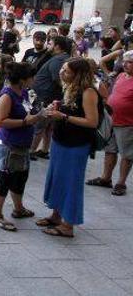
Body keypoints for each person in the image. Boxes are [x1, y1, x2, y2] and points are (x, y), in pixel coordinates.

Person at [39, 57, 100, 238]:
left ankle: (68, 224)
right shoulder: (68, 87)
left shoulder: (88, 92)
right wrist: (56, 109)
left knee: (71, 182)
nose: (61, 72)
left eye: (66, 71)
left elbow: (92, 121)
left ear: (77, 74)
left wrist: (63, 116)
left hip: (76, 144)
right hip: (61, 141)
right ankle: (56, 215)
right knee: (57, 178)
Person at [0, 62, 40, 231]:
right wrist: (26, 121)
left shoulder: (23, 92)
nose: (34, 79)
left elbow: (28, 111)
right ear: (22, 80)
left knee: (20, 177)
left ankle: (18, 208)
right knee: (6, 178)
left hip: (22, 145)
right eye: (31, 77)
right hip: (9, 145)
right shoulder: (7, 95)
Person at [87, 50, 133, 196]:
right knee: (110, 150)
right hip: (113, 120)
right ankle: (106, 178)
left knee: (126, 154)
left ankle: (121, 183)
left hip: (127, 123)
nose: (125, 64)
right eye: (125, 61)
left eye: (130, 62)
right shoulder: (120, 76)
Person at [32, 36, 73, 159]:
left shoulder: (59, 60)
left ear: (57, 46)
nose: (47, 46)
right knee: (48, 125)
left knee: (40, 124)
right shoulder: (60, 58)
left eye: (50, 44)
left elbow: (58, 79)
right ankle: (44, 150)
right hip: (49, 95)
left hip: (47, 96)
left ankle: (31, 150)